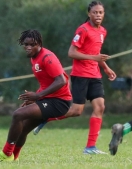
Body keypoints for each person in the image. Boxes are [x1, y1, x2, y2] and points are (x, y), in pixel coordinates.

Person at [32, 0, 117, 154]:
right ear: (89, 14)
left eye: (100, 12)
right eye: (95, 12)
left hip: (95, 76)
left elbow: (96, 53)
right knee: (77, 111)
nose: (98, 15)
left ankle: (90, 147)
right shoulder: (83, 30)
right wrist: (95, 59)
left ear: (103, 14)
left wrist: (105, 67)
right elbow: (71, 53)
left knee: (100, 107)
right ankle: (46, 118)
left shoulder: (102, 31)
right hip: (81, 75)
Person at [0, 29, 72, 162]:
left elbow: (61, 80)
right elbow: (45, 83)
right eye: (26, 44)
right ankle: (14, 158)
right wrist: (37, 97)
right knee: (23, 127)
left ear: (40, 43)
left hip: (59, 102)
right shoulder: (34, 58)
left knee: (18, 114)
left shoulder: (47, 57)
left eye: (33, 44)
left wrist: (38, 96)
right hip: (48, 99)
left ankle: (6, 153)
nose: (29, 47)